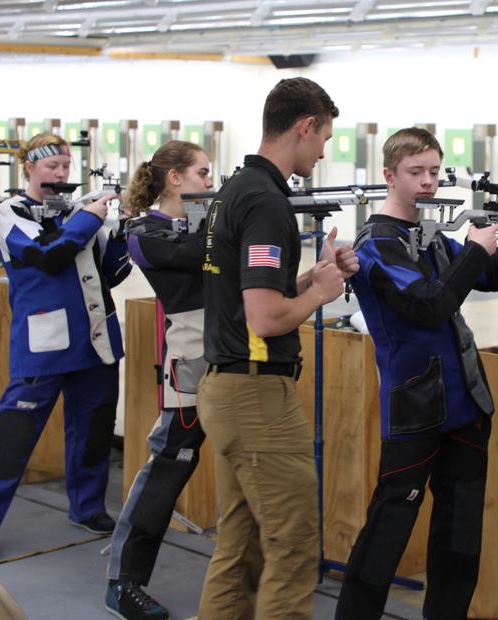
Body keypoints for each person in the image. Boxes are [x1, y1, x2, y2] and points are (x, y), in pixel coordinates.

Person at [334, 127, 498, 619]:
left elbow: (491, 276)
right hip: (416, 406)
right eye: (415, 172)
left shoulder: (432, 235)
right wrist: (477, 247)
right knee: (388, 529)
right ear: (389, 175)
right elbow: (430, 306)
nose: (427, 182)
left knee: (460, 535)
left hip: (466, 404)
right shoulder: (376, 243)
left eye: (434, 171)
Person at [197, 77, 358, 619]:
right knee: (291, 548)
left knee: (241, 549)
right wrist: (320, 292)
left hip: (226, 388)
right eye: (325, 137)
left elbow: (252, 294)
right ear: (305, 126)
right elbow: (264, 320)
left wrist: (306, 278)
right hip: (257, 396)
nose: (323, 150)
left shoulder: (235, 190)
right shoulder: (267, 202)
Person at [0, 132, 130, 563]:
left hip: (96, 339)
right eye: (51, 167)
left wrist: (125, 228)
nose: (60, 174)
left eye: (66, 167)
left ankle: (87, 506)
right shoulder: (9, 212)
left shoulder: (77, 212)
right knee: (12, 436)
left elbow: (112, 272)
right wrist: (90, 216)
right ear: (27, 166)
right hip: (45, 344)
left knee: (93, 432)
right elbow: (48, 254)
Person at [104, 140, 213, 620]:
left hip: (234, 352)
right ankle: (123, 582)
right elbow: (189, 255)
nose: (210, 182)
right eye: (203, 174)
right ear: (174, 178)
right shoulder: (143, 229)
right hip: (190, 357)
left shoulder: (201, 222)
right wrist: (226, 215)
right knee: (169, 467)